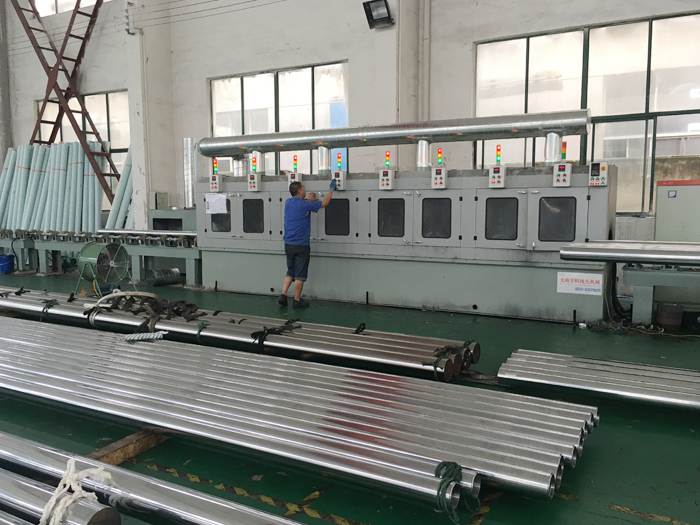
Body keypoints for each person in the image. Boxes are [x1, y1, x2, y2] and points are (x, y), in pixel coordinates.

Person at [279, 179, 337, 307]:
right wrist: (331, 190)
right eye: (304, 188)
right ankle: (297, 300)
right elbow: (325, 203)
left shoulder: (288, 202)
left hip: (288, 244)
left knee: (290, 271)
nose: (305, 190)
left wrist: (310, 200)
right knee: (300, 275)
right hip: (301, 245)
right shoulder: (306, 205)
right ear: (300, 191)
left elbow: (302, 204)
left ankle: (283, 294)